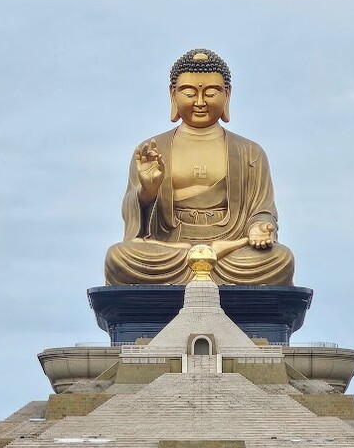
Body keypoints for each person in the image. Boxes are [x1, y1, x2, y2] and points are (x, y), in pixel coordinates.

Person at [105, 48, 295, 286]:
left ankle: (208, 258)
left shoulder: (250, 152)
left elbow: (262, 209)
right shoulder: (152, 150)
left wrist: (259, 228)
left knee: (281, 259)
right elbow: (136, 227)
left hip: (231, 253)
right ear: (173, 94)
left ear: (227, 94)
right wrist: (147, 191)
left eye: (211, 93)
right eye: (189, 93)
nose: (200, 102)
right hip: (172, 248)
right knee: (119, 258)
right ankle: (201, 259)